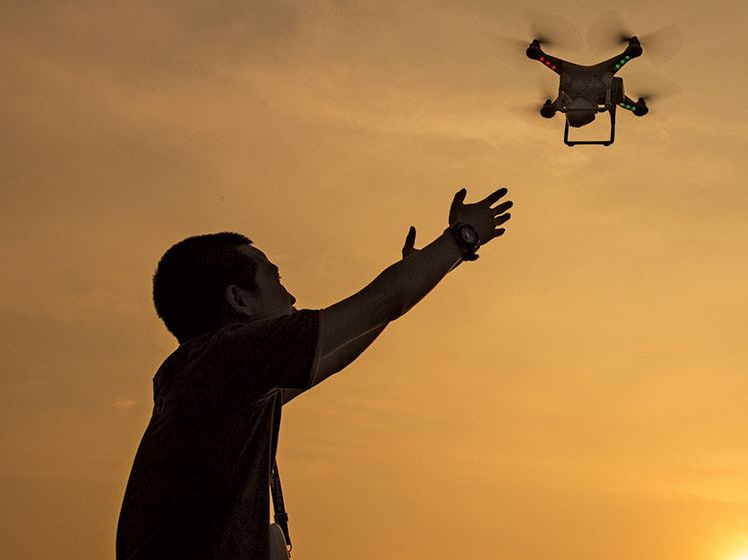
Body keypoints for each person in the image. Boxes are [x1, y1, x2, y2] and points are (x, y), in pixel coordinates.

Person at [117, 188, 512, 559]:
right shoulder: (225, 358)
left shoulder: (213, 380)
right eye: (276, 278)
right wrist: (463, 236)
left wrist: (421, 272)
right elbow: (386, 300)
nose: (290, 297)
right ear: (239, 300)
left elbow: (343, 344)